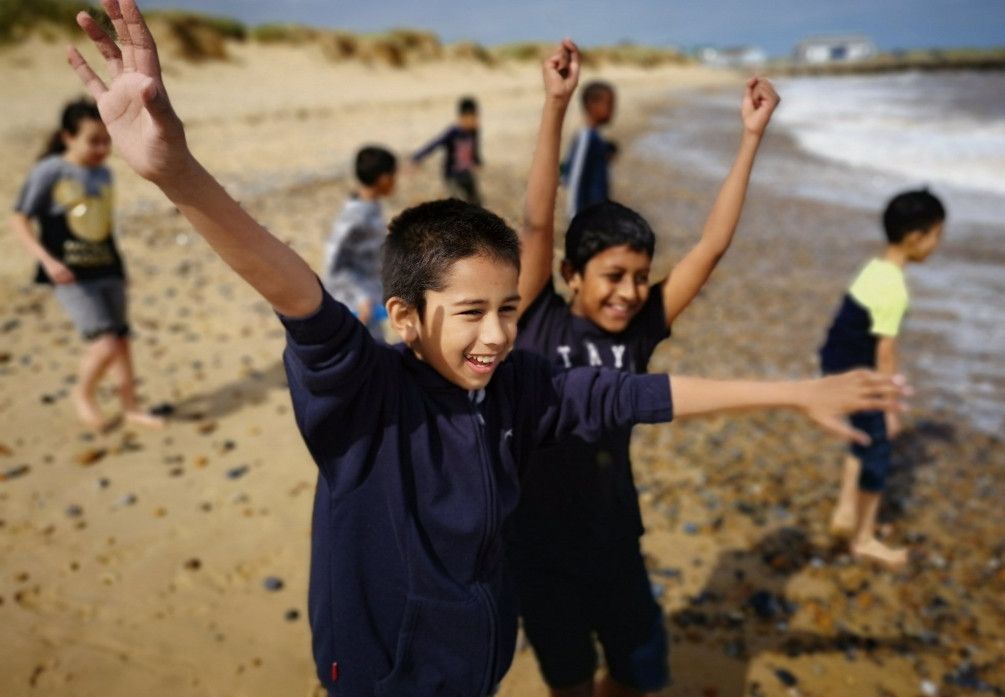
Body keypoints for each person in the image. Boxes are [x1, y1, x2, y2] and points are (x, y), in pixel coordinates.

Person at [66, 6, 905, 695]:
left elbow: (630, 397)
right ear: (405, 316)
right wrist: (177, 173)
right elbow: (297, 294)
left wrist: (795, 392)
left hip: (480, 665)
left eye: (509, 308)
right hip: (380, 678)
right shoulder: (366, 396)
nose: (499, 332)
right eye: (471, 312)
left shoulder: (519, 385)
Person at [513, 43, 787, 696]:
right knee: (570, 680)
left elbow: (711, 247)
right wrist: (556, 104)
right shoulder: (533, 319)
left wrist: (750, 138)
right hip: (535, 549)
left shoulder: (640, 329)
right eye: (613, 276)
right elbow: (535, 220)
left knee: (639, 674)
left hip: (615, 542)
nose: (630, 292)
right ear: (571, 276)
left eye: (640, 277)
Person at [9, 97, 163, 431]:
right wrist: (47, 262)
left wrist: (121, 270)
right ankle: (83, 394)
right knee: (104, 343)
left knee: (121, 340)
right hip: (70, 274)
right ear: (68, 137)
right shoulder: (50, 170)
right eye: (94, 140)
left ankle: (131, 406)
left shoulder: (105, 173)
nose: (102, 148)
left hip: (107, 267)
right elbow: (20, 218)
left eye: (107, 140)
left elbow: (103, 227)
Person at [821, 189, 945, 569]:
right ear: (916, 238)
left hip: (836, 360)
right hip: (859, 371)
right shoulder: (894, 287)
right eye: (937, 236)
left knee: (861, 436)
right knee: (878, 450)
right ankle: (864, 538)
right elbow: (885, 352)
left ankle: (846, 514)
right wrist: (889, 405)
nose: (937, 245)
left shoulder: (874, 268)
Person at [324, 145, 397, 341]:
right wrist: (360, 298)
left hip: (370, 300)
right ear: (383, 179)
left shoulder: (371, 207)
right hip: (354, 308)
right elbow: (333, 261)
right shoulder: (355, 216)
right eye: (393, 176)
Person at [411, 95, 483, 204]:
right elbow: (435, 143)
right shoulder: (453, 132)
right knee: (458, 202)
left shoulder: (474, 131)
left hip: (466, 172)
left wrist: (477, 159)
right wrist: (418, 156)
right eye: (471, 118)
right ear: (462, 117)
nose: (473, 121)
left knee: (476, 200)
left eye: (476, 118)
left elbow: (475, 147)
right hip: (452, 175)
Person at [562, 80, 615, 221]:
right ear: (592, 105)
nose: (612, 110)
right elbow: (573, 179)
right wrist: (574, 217)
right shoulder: (585, 138)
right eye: (609, 104)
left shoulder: (595, 137)